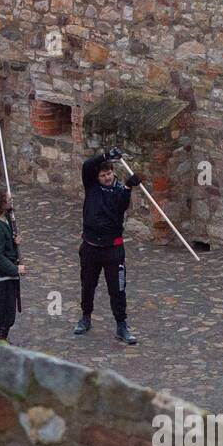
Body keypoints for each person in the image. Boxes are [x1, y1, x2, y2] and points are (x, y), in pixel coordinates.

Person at [74, 146, 141, 345]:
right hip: (91, 247)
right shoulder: (91, 186)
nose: (107, 177)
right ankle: (86, 317)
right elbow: (87, 166)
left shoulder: (120, 190)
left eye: (109, 173)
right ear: (97, 177)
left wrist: (129, 187)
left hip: (113, 249)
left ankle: (121, 325)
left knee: (118, 289)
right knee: (88, 285)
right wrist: (105, 156)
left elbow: (121, 207)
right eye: (103, 175)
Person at [0, 188, 24, 340]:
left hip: (8, 276)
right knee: (2, 311)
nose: (10, 200)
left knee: (9, 310)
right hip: (2, 276)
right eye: (8, 199)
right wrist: (15, 269)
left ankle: (3, 338)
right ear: (1, 204)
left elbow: (6, 243)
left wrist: (14, 242)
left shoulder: (5, 219)